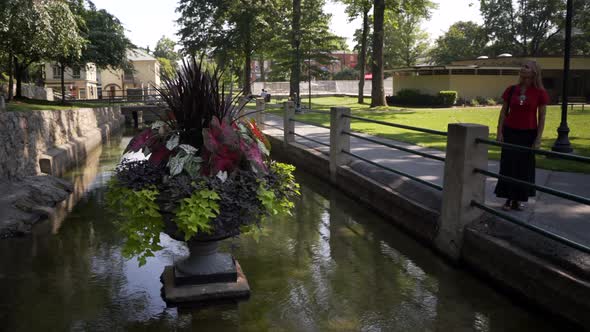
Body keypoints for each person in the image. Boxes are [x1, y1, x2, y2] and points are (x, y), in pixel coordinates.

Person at [495, 61, 549, 211]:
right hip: (510, 132)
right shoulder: (511, 90)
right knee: (508, 165)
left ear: (534, 72)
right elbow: (503, 112)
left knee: (523, 168)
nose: (522, 68)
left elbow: (542, 117)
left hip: (528, 134)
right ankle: (507, 198)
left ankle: (518, 200)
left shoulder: (540, 93)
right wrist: (499, 132)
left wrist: (538, 139)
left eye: (526, 67)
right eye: (522, 66)